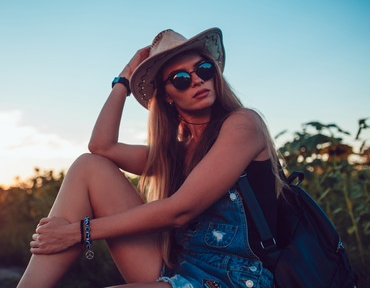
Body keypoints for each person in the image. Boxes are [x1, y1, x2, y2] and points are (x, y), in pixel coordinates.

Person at [17, 27, 285, 288]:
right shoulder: (176, 154)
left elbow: (180, 210)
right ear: (166, 95)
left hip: (236, 277)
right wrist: (123, 80)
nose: (197, 80)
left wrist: (78, 232)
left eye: (203, 69)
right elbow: (100, 146)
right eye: (181, 78)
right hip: (178, 267)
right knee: (88, 166)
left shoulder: (244, 124)